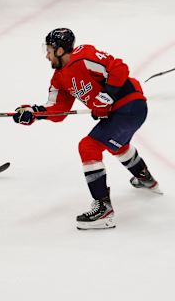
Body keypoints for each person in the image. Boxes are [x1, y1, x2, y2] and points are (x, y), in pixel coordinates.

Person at [12, 28, 161, 230]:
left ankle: (103, 208)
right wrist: (33, 113)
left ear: (60, 50)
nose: (46, 55)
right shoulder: (59, 79)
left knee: (88, 147)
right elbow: (59, 111)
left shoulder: (84, 56)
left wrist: (107, 95)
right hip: (120, 114)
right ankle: (145, 178)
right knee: (116, 144)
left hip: (130, 105)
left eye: (49, 50)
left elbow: (119, 67)